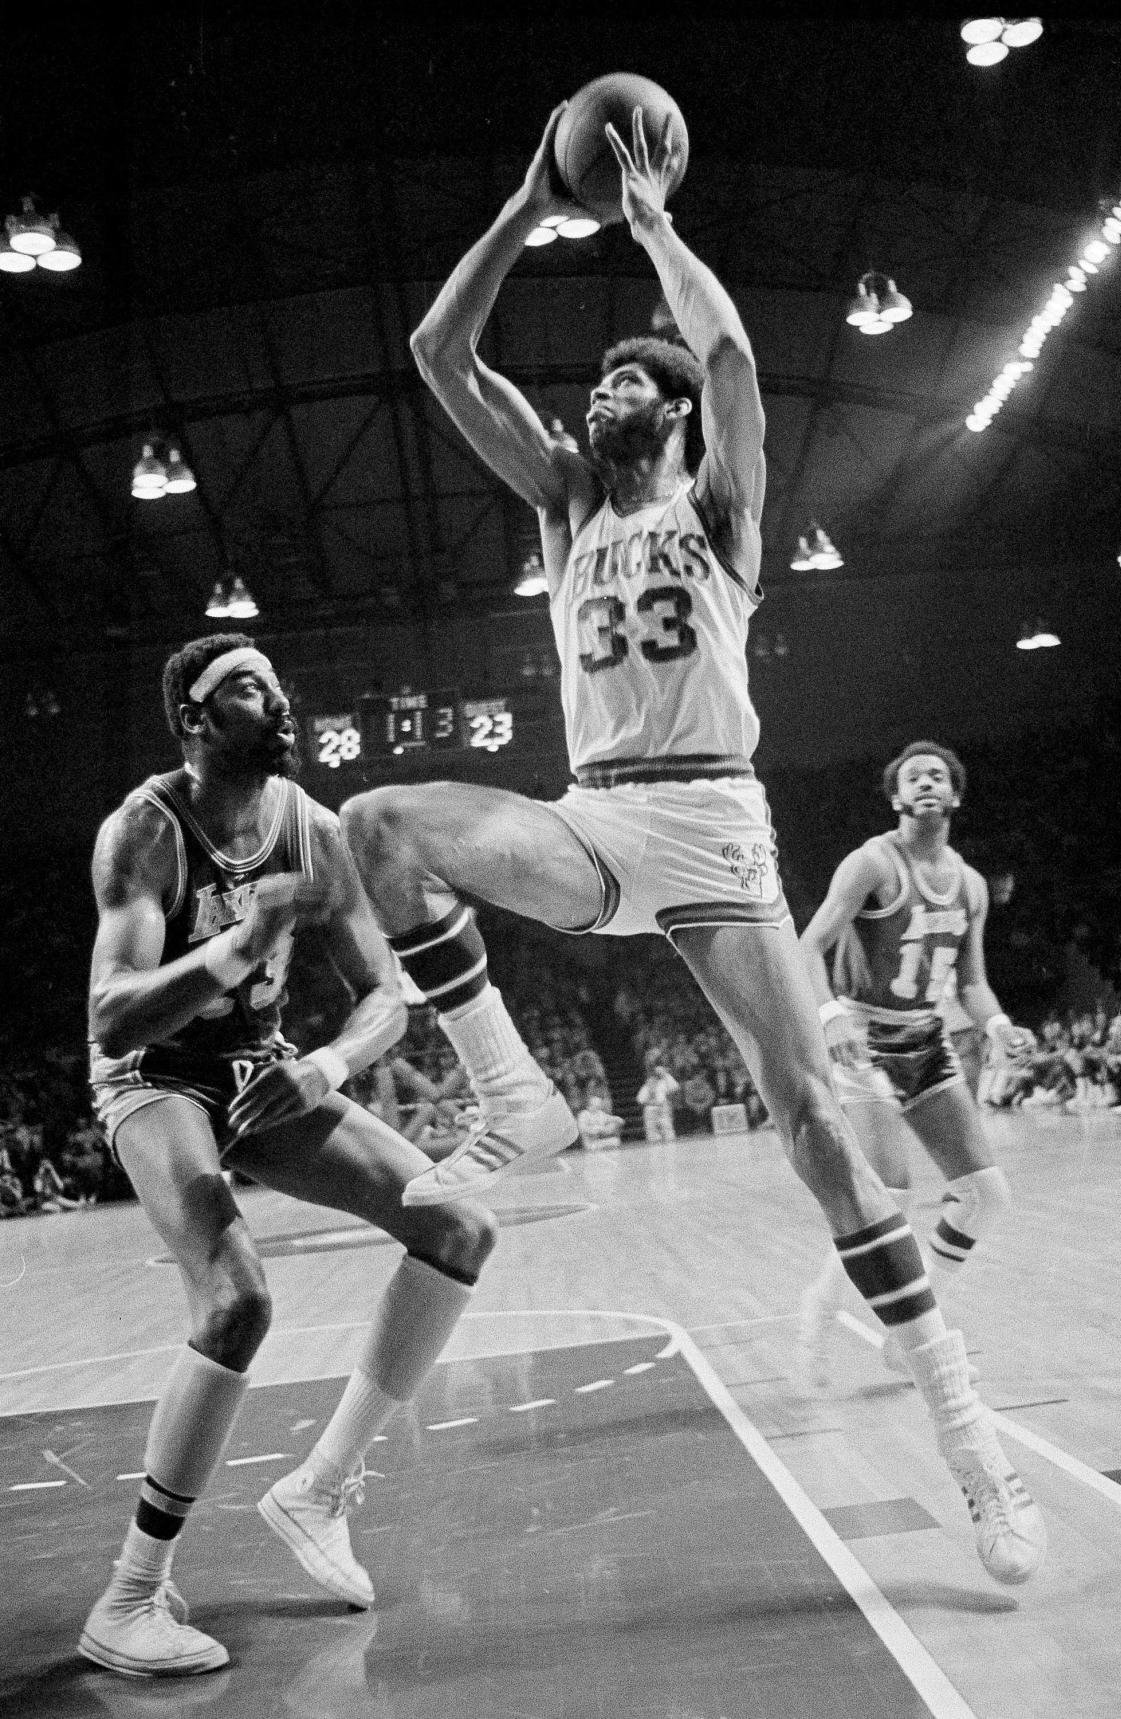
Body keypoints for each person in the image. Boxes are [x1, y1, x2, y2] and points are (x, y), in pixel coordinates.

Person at [341, 107, 1044, 1586]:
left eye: (619, 380)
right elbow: (433, 356)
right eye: (589, 382)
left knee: (819, 1137)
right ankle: (512, 1092)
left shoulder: (721, 505)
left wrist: (649, 217)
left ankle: (969, 1446)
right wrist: (531, 201)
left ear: (659, 415)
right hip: (597, 811)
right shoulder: (560, 506)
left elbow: (727, 361)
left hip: (717, 822)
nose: (597, 392)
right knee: (379, 823)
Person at [79, 633, 496, 1678]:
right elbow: (111, 1017)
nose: (277, 700)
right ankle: (129, 1595)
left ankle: (317, 1488)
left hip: (263, 1071)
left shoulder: (313, 828)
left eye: (275, 683)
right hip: (160, 1077)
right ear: (194, 719)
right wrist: (236, 946)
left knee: (457, 1224)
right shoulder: (146, 830)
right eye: (245, 689)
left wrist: (324, 1070)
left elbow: (385, 997)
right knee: (235, 1300)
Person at [798, 744, 1036, 1381]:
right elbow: (809, 945)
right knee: (889, 1194)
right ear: (896, 797)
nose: (926, 782)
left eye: (938, 776)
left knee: (986, 1195)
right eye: (913, 776)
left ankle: (909, 1333)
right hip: (865, 1040)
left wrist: (999, 1025)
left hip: (927, 1041)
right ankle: (821, 1313)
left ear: (954, 796)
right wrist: (832, 1018)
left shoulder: (972, 884)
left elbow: (971, 982)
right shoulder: (872, 862)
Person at [637, 1059, 680, 1142]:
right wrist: (650, 1100)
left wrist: (666, 1075)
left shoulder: (664, 1082)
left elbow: (675, 1087)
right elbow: (640, 1099)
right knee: (652, 1136)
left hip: (663, 1108)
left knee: (668, 1133)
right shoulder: (647, 1084)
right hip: (650, 1109)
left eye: (660, 1071)